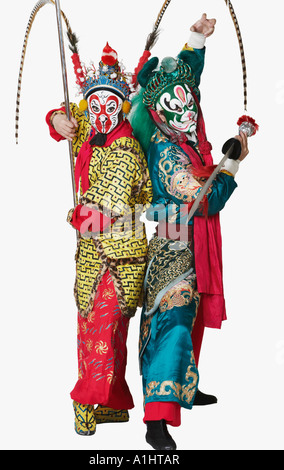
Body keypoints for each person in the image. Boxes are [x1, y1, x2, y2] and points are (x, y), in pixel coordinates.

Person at [129, 14, 249, 450]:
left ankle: (184, 385)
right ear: (156, 114)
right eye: (172, 105)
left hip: (192, 241)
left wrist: (196, 36)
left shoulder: (187, 129)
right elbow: (207, 199)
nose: (184, 107)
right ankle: (156, 418)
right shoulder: (168, 154)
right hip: (175, 242)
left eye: (187, 100)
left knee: (191, 316)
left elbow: (188, 76)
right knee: (174, 322)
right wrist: (234, 159)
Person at [46, 42, 152, 436]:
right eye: (94, 107)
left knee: (102, 330)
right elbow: (62, 117)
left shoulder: (125, 150)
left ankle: (86, 400)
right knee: (99, 329)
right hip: (91, 257)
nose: (101, 114)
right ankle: (112, 401)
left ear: (122, 106)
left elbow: (96, 214)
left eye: (110, 106)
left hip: (119, 256)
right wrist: (59, 120)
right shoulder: (90, 126)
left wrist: (72, 214)